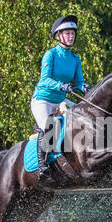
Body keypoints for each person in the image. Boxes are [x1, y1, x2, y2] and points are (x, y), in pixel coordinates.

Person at [31, 15, 90, 177]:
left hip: (60, 101)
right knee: (47, 126)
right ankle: (42, 166)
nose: (71, 36)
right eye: (68, 33)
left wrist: (86, 87)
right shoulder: (50, 55)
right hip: (43, 100)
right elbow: (44, 80)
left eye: (73, 33)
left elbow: (79, 82)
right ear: (59, 36)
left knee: (82, 118)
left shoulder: (75, 59)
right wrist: (61, 85)